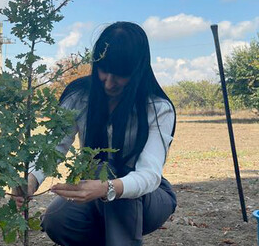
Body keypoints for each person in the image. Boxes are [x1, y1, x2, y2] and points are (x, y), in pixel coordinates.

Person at [14, 22, 177, 246]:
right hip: (94, 192)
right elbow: (54, 147)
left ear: (137, 71)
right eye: (103, 70)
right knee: (57, 220)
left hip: (148, 199)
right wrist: (31, 180)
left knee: (108, 175)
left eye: (120, 75)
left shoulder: (157, 108)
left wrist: (107, 188)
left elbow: (149, 176)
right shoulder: (79, 97)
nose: (109, 83)